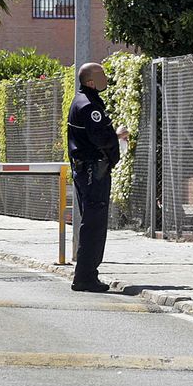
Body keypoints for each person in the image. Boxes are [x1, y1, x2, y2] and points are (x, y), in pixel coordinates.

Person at [67, 62, 128, 293]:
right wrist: (115, 140)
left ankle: (87, 275)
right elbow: (101, 138)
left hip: (87, 170)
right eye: (101, 75)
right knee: (94, 223)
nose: (105, 79)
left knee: (91, 221)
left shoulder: (82, 101)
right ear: (91, 81)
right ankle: (85, 277)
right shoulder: (88, 106)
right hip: (93, 170)